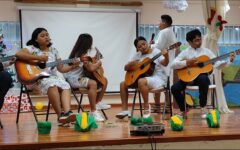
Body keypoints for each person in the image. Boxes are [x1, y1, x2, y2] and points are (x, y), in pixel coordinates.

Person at [16, 28, 79, 124]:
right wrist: (38, 58)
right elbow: (18, 54)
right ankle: (60, 116)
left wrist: (72, 67)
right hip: (37, 79)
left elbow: (61, 69)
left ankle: (67, 113)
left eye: (47, 35)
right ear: (36, 39)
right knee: (52, 85)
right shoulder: (31, 48)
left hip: (53, 78)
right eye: (42, 35)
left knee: (66, 85)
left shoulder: (54, 50)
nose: (46, 37)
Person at [171, 29, 236, 119]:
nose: (199, 42)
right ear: (189, 42)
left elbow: (218, 64)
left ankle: (203, 106)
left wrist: (230, 60)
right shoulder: (185, 52)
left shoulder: (207, 52)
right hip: (188, 78)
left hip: (201, 79)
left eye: (200, 39)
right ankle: (184, 109)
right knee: (174, 88)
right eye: (196, 40)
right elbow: (173, 64)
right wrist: (187, 62)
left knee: (203, 78)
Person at [116, 36, 169, 119]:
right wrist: (130, 65)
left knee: (141, 81)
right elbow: (125, 68)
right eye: (139, 47)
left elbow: (165, 63)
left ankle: (146, 108)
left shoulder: (156, 52)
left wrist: (166, 56)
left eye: (144, 44)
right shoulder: (138, 55)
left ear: (147, 43)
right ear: (137, 49)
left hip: (158, 78)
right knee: (123, 84)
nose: (142, 47)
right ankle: (125, 110)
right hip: (144, 79)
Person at [64, 33, 110, 122]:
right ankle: (93, 111)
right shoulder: (82, 55)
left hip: (79, 77)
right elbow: (91, 68)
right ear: (87, 43)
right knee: (93, 83)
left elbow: (88, 65)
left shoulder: (80, 53)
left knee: (104, 80)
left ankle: (97, 103)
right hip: (74, 79)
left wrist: (94, 59)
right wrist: (99, 63)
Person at [150, 14, 177, 107]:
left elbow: (158, 47)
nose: (159, 24)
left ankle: (160, 105)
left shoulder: (164, 31)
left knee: (160, 84)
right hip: (168, 62)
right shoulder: (170, 31)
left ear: (164, 23)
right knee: (166, 85)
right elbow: (160, 45)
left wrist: (149, 46)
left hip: (163, 62)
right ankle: (167, 105)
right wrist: (154, 45)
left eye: (160, 21)